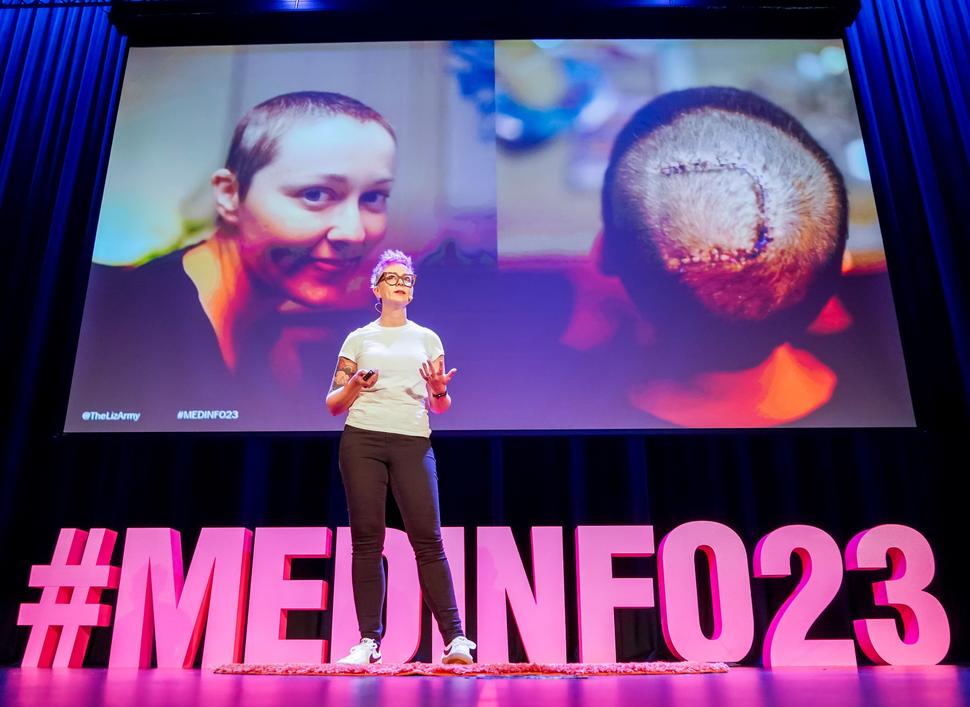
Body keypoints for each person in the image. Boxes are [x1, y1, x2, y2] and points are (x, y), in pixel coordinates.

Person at [67, 91, 397, 429]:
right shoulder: (102, 310)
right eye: (315, 194)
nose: (355, 233)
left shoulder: (273, 349)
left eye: (374, 197)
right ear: (229, 194)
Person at [326, 249, 476, 665]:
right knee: (366, 541)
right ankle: (368, 642)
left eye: (407, 279)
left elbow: (440, 406)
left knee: (428, 539)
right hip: (363, 440)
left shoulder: (427, 339)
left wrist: (439, 390)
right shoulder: (359, 339)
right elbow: (333, 404)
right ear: (376, 288)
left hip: (412, 440)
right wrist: (355, 384)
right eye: (392, 278)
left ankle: (456, 639)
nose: (401, 283)